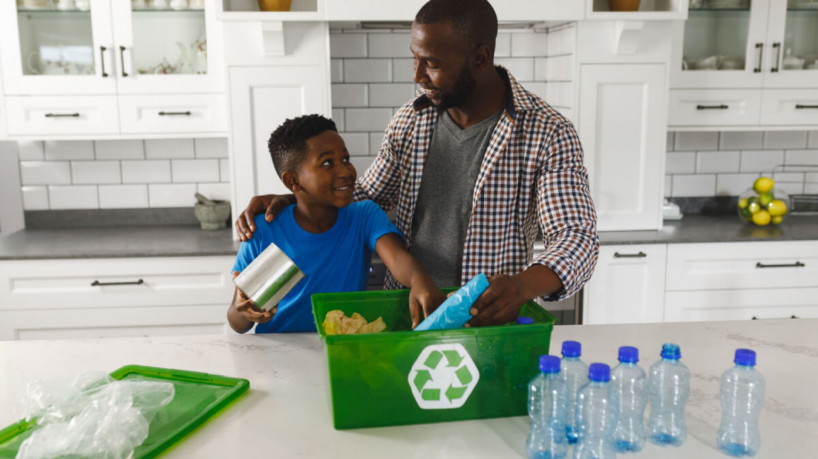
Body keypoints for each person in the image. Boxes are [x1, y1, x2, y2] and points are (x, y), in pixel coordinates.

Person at [235, 0, 599, 327]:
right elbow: (364, 197)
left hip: (489, 322)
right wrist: (296, 199)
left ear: (480, 58)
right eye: (416, 58)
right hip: (408, 316)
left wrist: (519, 287)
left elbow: (577, 238)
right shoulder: (411, 121)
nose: (417, 76)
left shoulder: (548, 132)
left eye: (433, 64)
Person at [228, 114, 444, 333]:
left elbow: (398, 258)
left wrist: (419, 280)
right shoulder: (264, 230)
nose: (345, 172)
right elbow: (237, 323)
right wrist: (244, 310)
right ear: (292, 181)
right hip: (278, 354)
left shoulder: (364, 216)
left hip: (342, 347)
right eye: (327, 163)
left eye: (345, 159)